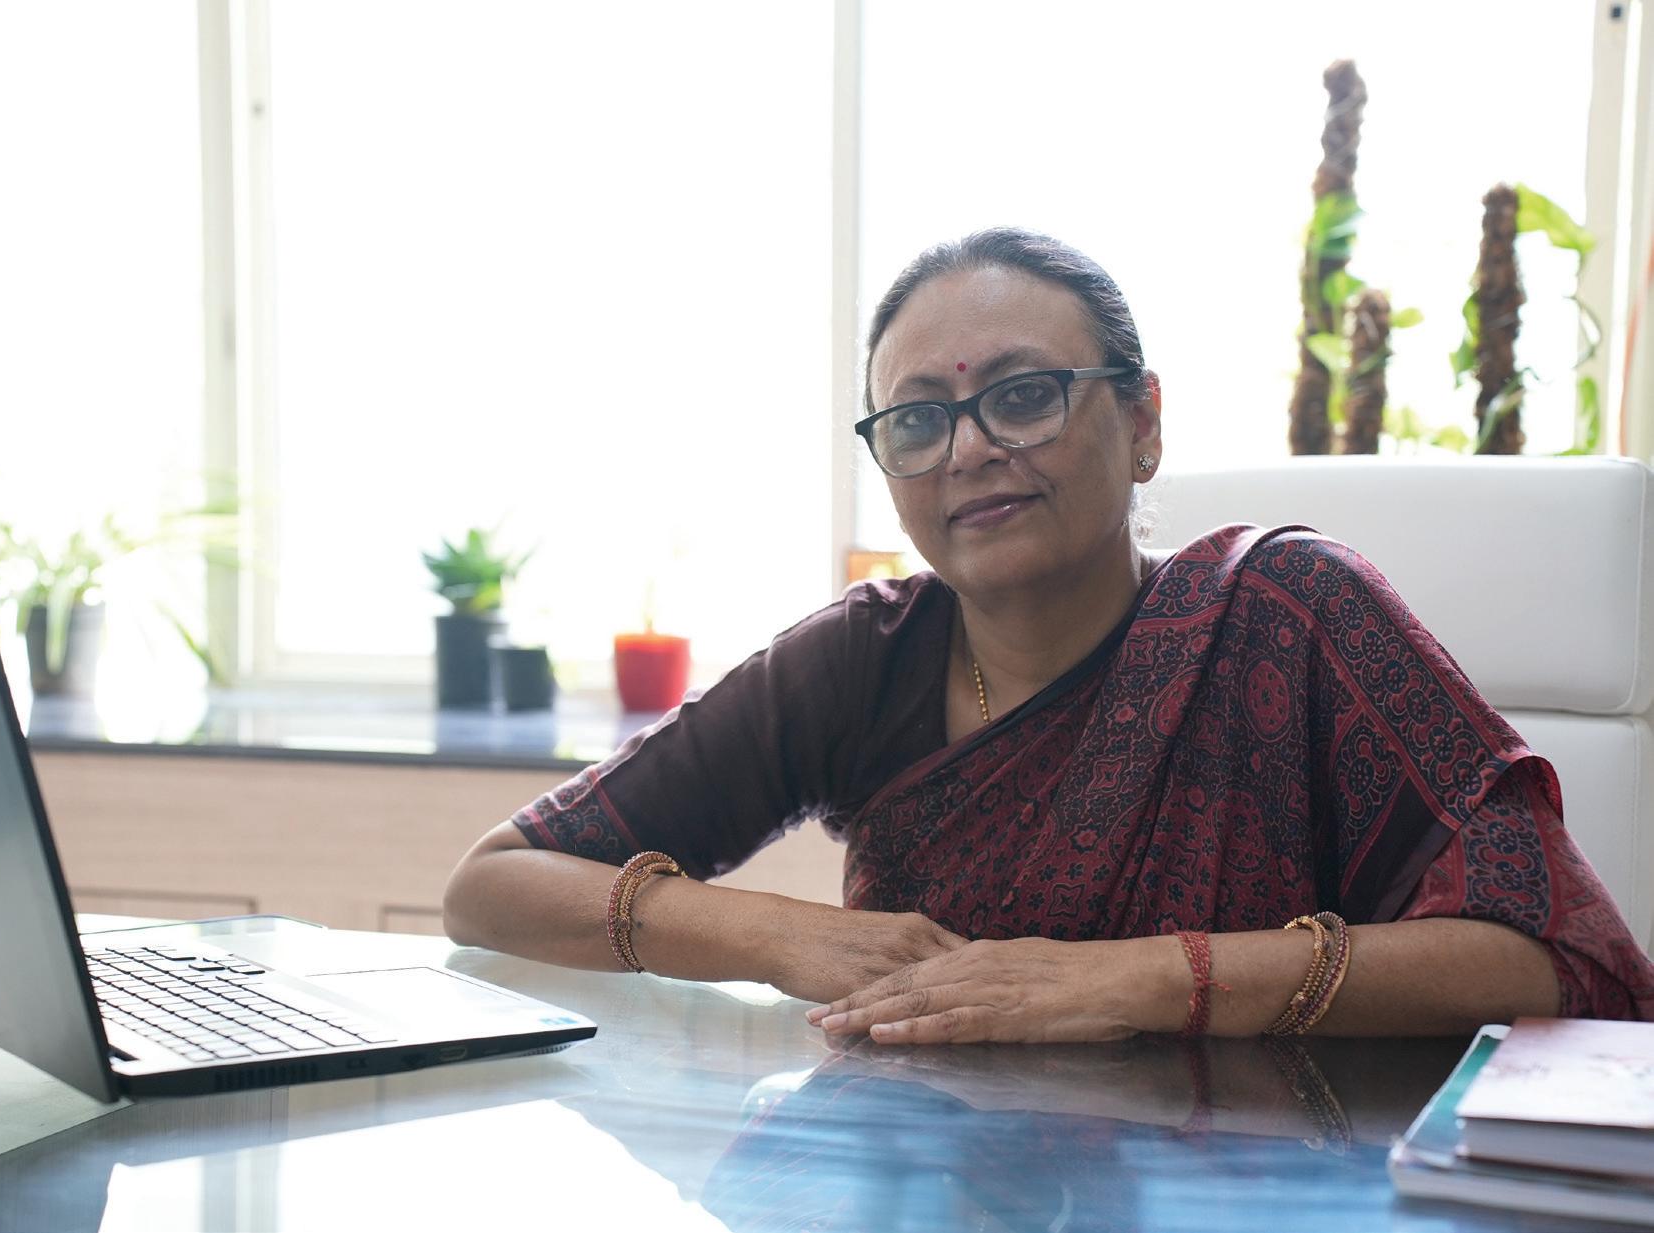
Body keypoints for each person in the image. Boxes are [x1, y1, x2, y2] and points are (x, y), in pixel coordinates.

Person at [443, 228, 1654, 1042]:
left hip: (1284, 1173)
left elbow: (1557, 957)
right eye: (918, 421)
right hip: (935, 1181)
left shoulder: (1295, 614)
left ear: (1143, 425)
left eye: (1022, 396)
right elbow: (494, 886)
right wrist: (780, 937)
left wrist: (1138, 981)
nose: (969, 449)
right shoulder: (860, 660)